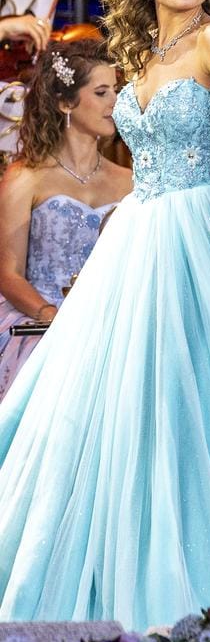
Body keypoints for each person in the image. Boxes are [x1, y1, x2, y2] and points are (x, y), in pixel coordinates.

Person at [0, 0, 210, 629]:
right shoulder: (140, 55)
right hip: (136, 245)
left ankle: (197, 579)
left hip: (200, 233)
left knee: (200, 405)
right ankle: (107, 570)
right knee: (116, 405)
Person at [0, 41, 132, 399]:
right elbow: (8, 273)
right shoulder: (26, 177)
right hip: (41, 326)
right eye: (102, 92)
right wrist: (51, 316)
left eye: (117, 91)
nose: (114, 103)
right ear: (65, 102)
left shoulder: (130, 181)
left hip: (108, 328)